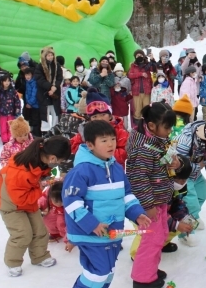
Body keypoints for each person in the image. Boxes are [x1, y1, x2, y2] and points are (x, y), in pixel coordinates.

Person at [63, 120, 151, 288]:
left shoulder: (116, 168)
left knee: (107, 272)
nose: (111, 144)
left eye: (113, 139)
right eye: (104, 140)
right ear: (90, 145)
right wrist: (92, 224)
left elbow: (126, 195)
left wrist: (136, 213)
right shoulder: (81, 171)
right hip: (91, 233)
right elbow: (71, 202)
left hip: (111, 231)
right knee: (99, 272)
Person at [0, 135, 70, 277]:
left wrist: (51, 179)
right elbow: (20, 198)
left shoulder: (41, 161)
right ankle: (13, 262)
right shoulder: (20, 172)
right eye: (60, 161)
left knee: (40, 230)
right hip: (11, 205)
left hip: (28, 199)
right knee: (22, 234)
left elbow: (43, 177)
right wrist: (41, 185)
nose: (59, 164)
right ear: (53, 158)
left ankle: (39, 256)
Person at [126, 103, 177, 288]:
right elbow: (138, 179)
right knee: (151, 240)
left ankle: (150, 270)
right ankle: (142, 279)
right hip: (150, 204)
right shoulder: (143, 148)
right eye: (167, 127)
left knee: (160, 235)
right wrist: (148, 206)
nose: (170, 131)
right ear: (152, 126)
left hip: (159, 199)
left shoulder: (155, 140)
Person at [130, 155, 194, 258]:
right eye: (179, 181)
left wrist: (184, 217)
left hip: (164, 214)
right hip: (145, 216)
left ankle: (161, 244)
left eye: (184, 180)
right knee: (149, 231)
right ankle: (138, 255)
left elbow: (177, 203)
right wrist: (176, 224)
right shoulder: (154, 190)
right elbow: (155, 215)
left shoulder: (178, 187)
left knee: (178, 225)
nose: (182, 183)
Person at [129, 49, 157, 128]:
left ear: (143, 56)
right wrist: (140, 74)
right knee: (137, 110)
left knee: (146, 108)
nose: (139, 57)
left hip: (147, 91)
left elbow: (155, 69)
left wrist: (152, 59)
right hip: (136, 91)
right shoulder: (133, 65)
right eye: (137, 55)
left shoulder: (147, 64)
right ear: (135, 57)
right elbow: (130, 75)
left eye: (141, 55)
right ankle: (137, 127)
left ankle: (146, 126)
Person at [0, 74, 21, 145]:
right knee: (3, 127)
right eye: (5, 81)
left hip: (11, 112)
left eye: (8, 81)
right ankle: (5, 140)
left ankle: (11, 139)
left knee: (11, 127)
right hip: (2, 113)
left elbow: (17, 100)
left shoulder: (13, 91)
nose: (7, 82)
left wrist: (17, 108)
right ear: (2, 82)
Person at [38, 181, 68, 245]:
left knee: (61, 223)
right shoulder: (50, 192)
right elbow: (43, 198)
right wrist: (39, 204)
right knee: (48, 219)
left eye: (61, 202)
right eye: (56, 201)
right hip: (53, 210)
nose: (59, 204)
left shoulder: (68, 199)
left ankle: (68, 237)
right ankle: (55, 233)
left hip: (64, 212)